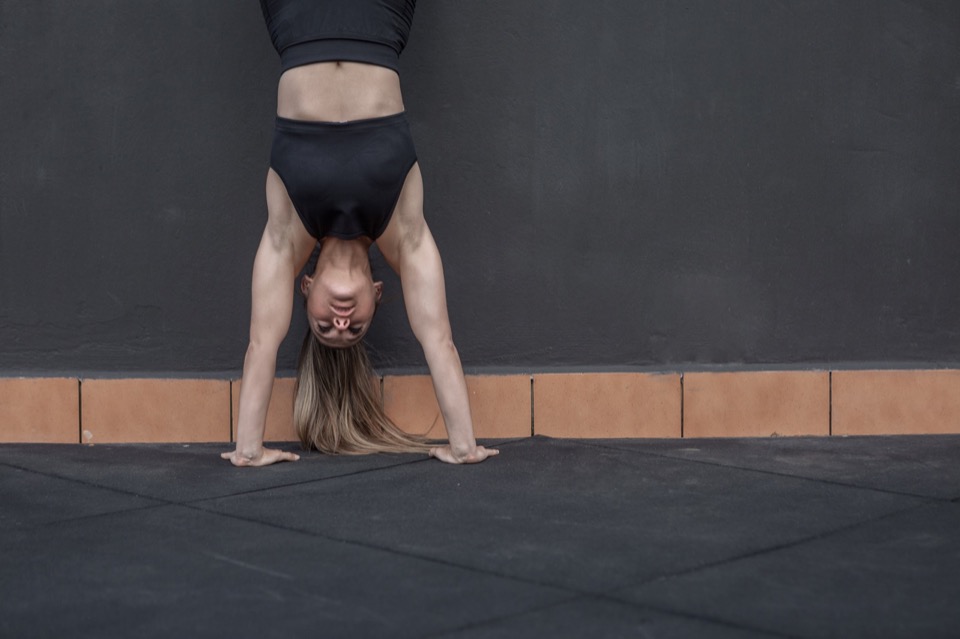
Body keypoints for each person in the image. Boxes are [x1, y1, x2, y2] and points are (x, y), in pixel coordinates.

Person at [221, 0, 498, 467]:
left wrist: (248, 450)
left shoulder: (286, 233)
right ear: (377, 292)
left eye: (324, 327)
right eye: (356, 329)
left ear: (304, 290)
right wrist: (463, 446)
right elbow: (439, 339)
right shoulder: (404, 233)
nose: (342, 321)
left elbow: (261, 343)